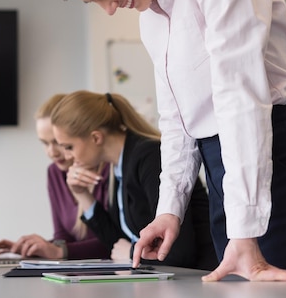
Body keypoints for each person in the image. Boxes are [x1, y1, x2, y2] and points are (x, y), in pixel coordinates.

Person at [48, 0, 286, 281]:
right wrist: (169, 210)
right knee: (235, 287)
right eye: (95, 2)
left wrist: (245, 229)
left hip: (271, 148)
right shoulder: (151, 17)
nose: (108, 9)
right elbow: (176, 121)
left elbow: (241, 96)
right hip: (221, 164)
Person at [50, 90, 216, 270]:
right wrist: (81, 194)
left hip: (200, 276)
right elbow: (116, 244)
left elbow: (179, 252)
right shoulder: (118, 166)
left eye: (69, 147)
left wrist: (131, 253)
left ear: (96, 137)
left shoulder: (149, 157)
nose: (67, 156)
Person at [0, 94, 111, 259]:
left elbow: (113, 241)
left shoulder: (108, 169)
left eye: (58, 143)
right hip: (76, 274)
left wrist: (59, 251)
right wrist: (35, 248)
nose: (52, 152)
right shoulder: (55, 172)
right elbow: (63, 237)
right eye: (45, 143)